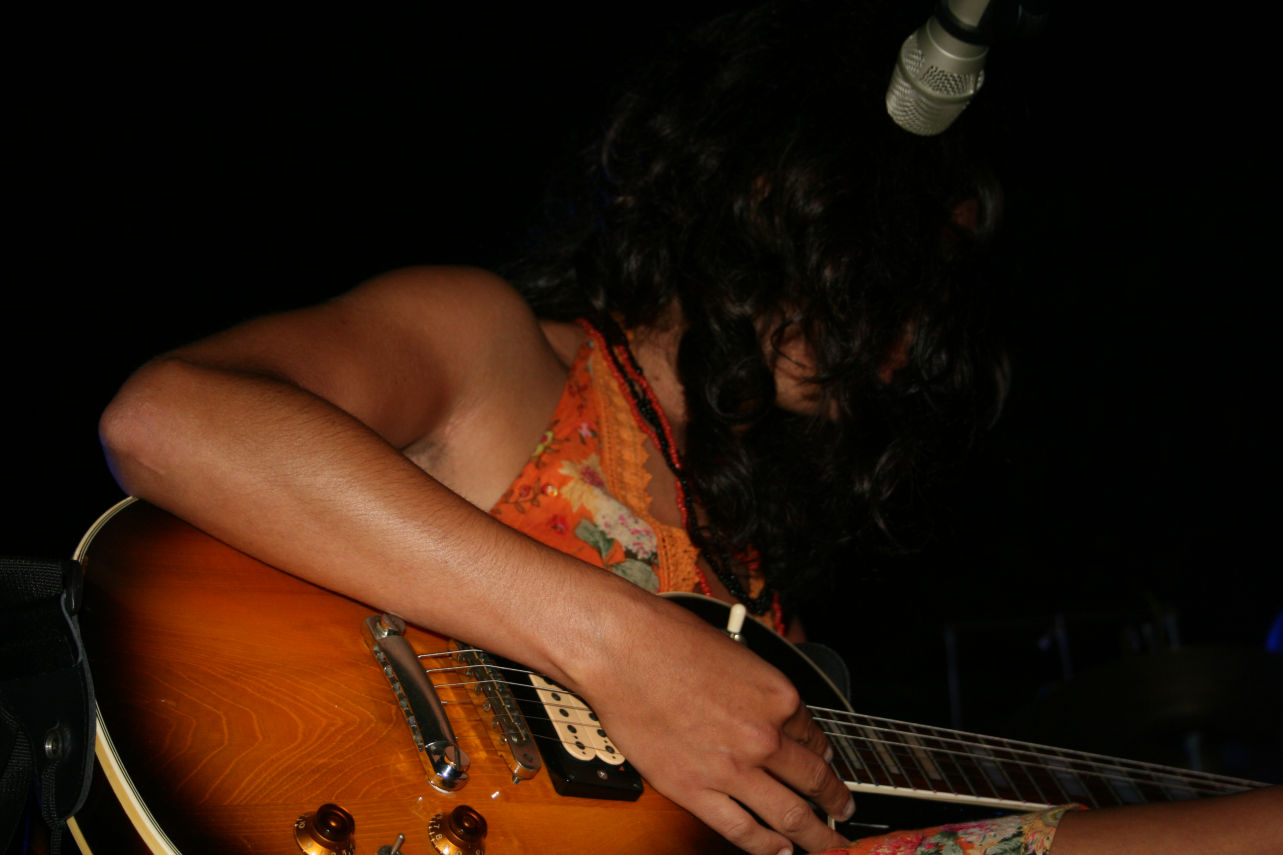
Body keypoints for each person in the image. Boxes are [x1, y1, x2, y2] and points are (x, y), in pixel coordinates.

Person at [98, 1, 1279, 853]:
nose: (908, 344)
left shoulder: (757, 601)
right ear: (777, 205)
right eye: (897, 279)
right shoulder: (492, 345)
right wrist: (621, 649)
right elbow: (172, 417)